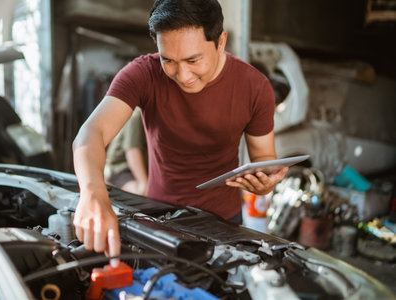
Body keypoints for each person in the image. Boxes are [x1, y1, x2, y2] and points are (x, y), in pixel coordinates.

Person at [72, 0, 288, 265]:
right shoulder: (143, 74)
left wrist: (265, 180)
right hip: (159, 217)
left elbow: (264, 156)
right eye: (168, 60)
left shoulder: (255, 87)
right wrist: (93, 192)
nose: (183, 75)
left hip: (226, 223)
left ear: (221, 41)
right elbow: (91, 131)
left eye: (193, 60)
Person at [104, 107, 148, 195]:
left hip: (146, 167)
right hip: (120, 168)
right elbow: (132, 151)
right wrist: (144, 183)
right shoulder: (137, 114)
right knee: (142, 193)